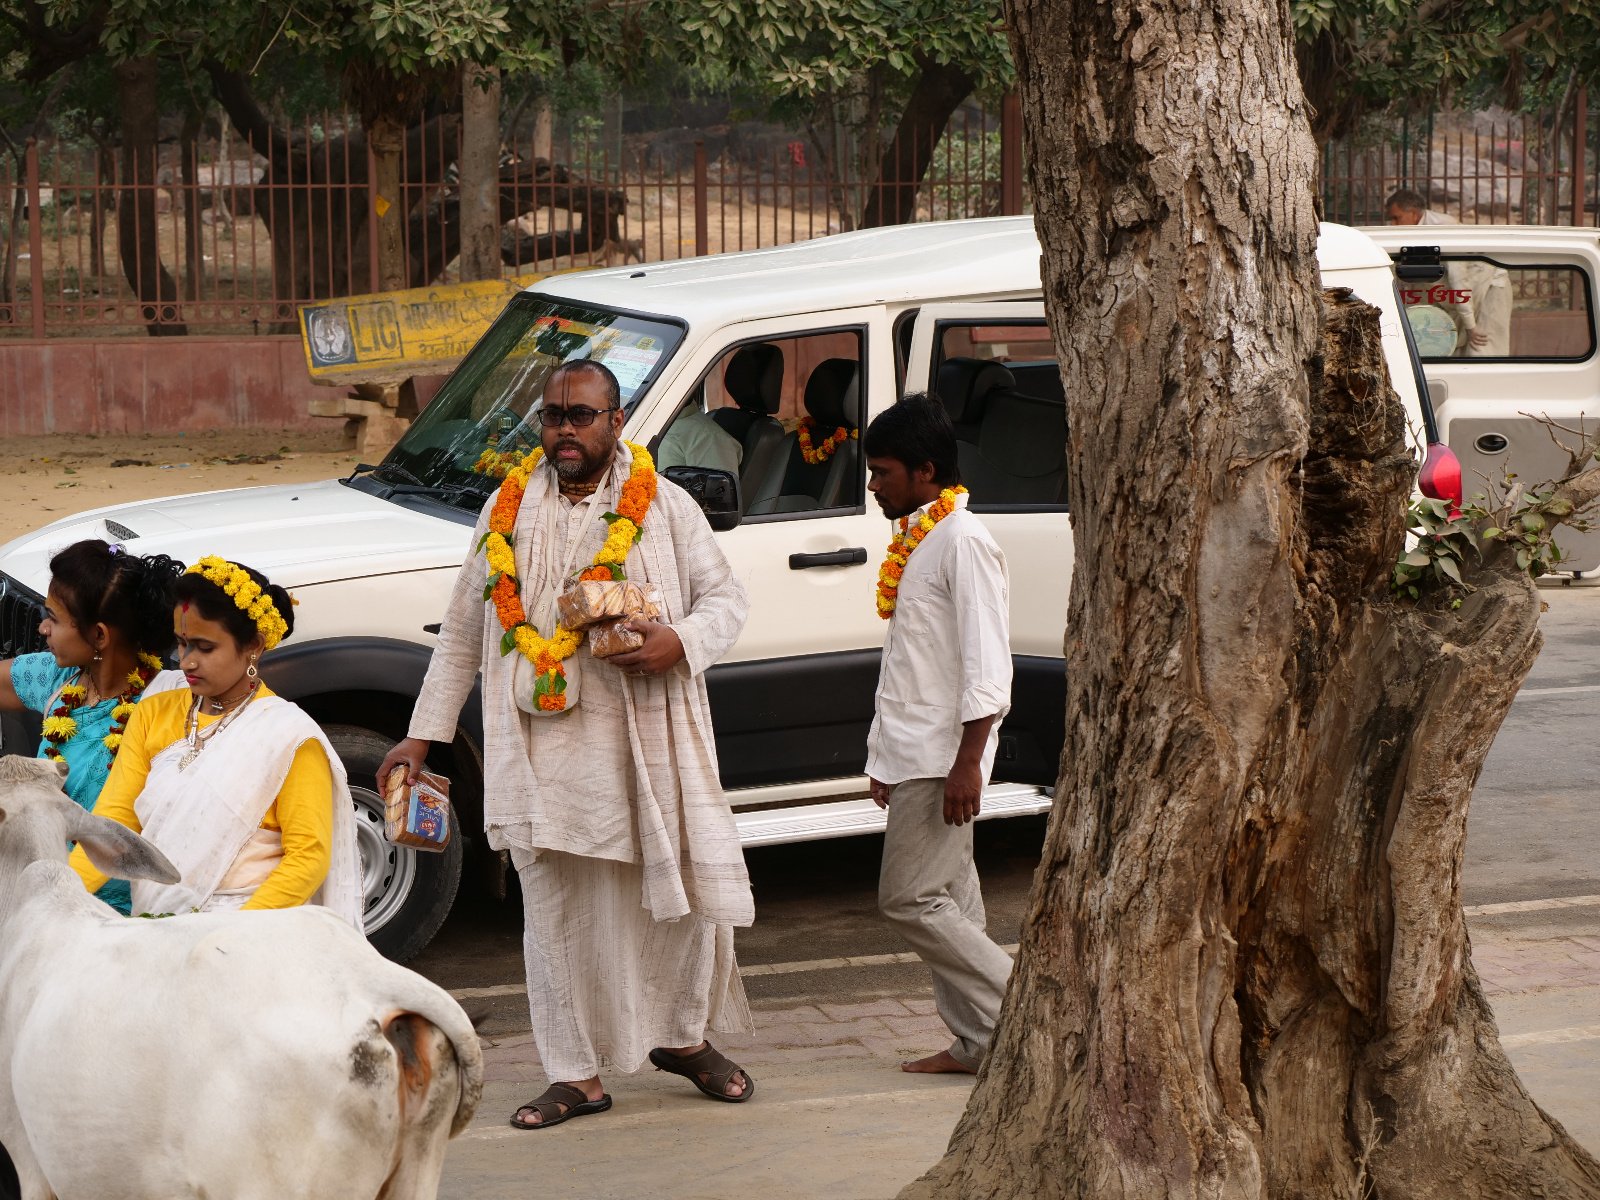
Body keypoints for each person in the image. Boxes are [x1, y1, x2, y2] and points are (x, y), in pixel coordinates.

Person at [379, 359, 756, 1130]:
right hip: (540, 750)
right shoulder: (505, 510)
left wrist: (677, 643)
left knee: (675, 905)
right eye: (553, 416)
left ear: (616, 423)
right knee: (552, 912)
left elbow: (727, 598)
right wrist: (423, 735)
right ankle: (574, 1074)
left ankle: (683, 1040)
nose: (565, 429)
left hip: (644, 745)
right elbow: (462, 631)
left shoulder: (666, 507)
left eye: (582, 416)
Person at [67, 556, 363, 924]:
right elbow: (115, 821)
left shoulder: (289, 736)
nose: (185, 661)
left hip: (246, 934)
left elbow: (308, 857)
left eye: (204, 648)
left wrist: (226, 935)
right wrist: (61, 897)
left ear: (252, 645)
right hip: (153, 928)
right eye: (181, 643)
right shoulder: (153, 713)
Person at [863, 393, 1015, 1076]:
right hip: (915, 752)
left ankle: (1025, 1015)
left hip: (943, 757)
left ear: (925, 472)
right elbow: (912, 666)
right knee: (953, 901)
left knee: (909, 899)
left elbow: (987, 664)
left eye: (883, 473)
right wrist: (881, 759)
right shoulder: (920, 537)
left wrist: (968, 763)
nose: (873, 487)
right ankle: (977, 1043)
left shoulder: (965, 540)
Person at [0, 540, 185, 914]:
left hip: (105, 915)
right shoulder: (61, 678)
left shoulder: (164, 705)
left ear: (99, 636)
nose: (42, 628)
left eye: (53, 618)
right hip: (30, 892)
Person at [1384, 187, 1512, 357]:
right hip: (1454, 294)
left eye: (1396, 218)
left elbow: (1459, 277)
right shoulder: (1409, 231)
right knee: (1453, 348)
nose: (1393, 224)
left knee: (1481, 349)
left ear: (1413, 214)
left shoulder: (1442, 227)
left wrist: (1471, 326)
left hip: (1489, 285)